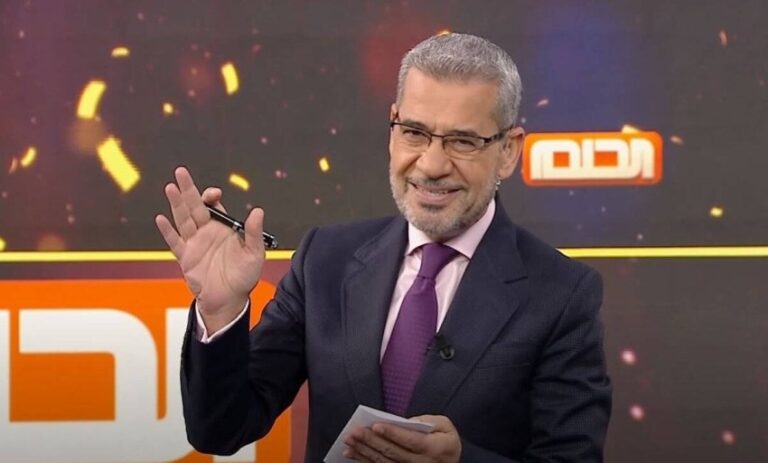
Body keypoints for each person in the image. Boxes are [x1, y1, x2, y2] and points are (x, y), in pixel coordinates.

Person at [156, 32, 611, 462]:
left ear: (508, 151)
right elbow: (220, 430)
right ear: (393, 127)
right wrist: (221, 312)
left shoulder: (562, 294)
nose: (431, 165)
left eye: (462, 141)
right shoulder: (324, 260)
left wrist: (460, 460)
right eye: (414, 132)